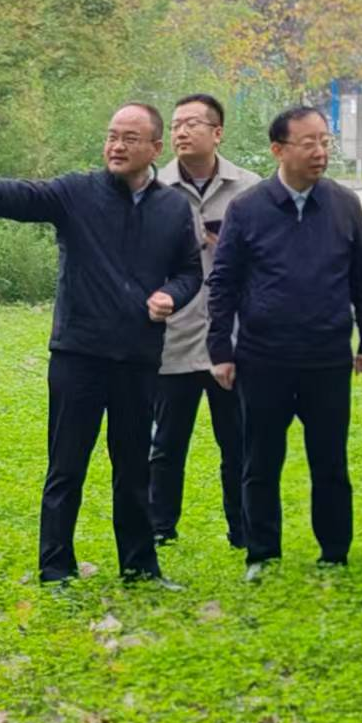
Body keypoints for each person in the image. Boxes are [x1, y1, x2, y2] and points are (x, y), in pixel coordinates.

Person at [0, 104, 202, 588]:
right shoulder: (78, 192)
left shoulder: (173, 208)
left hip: (138, 358)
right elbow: (29, 196)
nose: (117, 146)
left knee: (134, 469)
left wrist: (171, 296)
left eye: (130, 138)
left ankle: (140, 567)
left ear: (155, 148)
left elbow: (189, 271)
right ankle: (56, 568)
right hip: (79, 354)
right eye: (112, 135)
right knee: (66, 467)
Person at [207, 106, 362, 580]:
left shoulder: (344, 204)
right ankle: (262, 554)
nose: (320, 151)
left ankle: (334, 552)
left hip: (327, 356)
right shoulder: (247, 209)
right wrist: (220, 350)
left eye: (324, 141)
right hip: (263, 357)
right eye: (308, 143)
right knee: (260, 460)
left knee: (330, 460)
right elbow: (223, 283)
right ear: (278, 150)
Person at [148, 93, 259, 549]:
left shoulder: (249, 189)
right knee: (166, 442)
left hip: (232, 337)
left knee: (238, 442)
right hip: (173, 334)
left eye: (191, 123)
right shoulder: (153, 188)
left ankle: (243, 529)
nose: (181, 131)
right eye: (175, 124)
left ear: (217, 133)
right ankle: (159, 527)